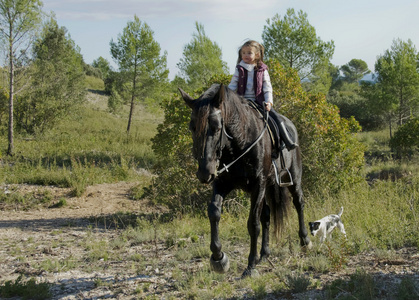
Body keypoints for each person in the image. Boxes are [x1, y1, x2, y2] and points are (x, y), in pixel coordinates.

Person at [228, 40, 298, 151]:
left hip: (259, 101)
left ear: (257, 55)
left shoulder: (262, 70)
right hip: (241, 102)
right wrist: (227, 98)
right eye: (243, 53)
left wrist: (269, 102)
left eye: (249, 53)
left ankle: (286, 140)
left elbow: (267, 87)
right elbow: (232, 85)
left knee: (276, 118)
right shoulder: (239, 69)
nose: (246, 55)